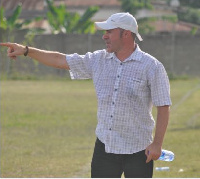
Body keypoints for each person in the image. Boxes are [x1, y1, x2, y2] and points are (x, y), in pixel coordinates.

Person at [0, 12, 172, 178]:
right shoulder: (97, 60)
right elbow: (61, 60)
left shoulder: (152, 67)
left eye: (109, 32)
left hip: (139, 150)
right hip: (105, 147)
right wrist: (26, 50)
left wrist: (157, 144)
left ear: (126, 34)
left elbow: (163, 106)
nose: (104, 36)